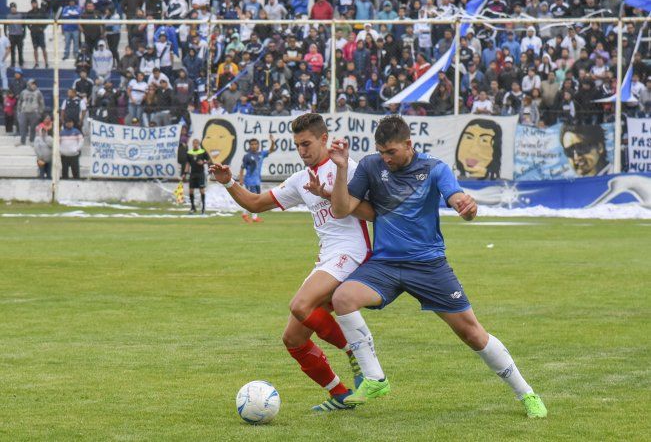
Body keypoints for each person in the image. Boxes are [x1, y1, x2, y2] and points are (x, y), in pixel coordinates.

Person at [325, 115, 548, 418]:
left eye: (392, 152)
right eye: (382, 152)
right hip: (386, 265)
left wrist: (467, 208)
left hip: (429, 266)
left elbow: (457, 199)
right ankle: (375, 379)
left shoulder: (434, 169)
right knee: (343, 298)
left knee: (472, 333)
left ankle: (527, 394)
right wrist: (340, 168)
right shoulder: (370, 166)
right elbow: (340, 209)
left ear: (408, 144)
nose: (386, 159)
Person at [209, 113, 374, 412]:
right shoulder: (300, 180)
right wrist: (229, 181)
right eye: (297, 145)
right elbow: (256, 203)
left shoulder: (346, 168)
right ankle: (339, 394)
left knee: (300, 305)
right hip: (328, 259)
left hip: (352, 253)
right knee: (293, 338)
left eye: (307, 144)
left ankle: (355, 352)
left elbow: (375, 208)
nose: (302, 151)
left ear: (324, 139)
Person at [238, 135, 277, 223]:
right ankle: (245, 214)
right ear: (249, 146)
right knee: (251, 199)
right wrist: (241, 179)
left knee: (257, 199)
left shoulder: (261, 154)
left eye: (255, 144)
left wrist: (273, 141)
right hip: (249, 180)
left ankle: (254, 217)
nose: (254, 146)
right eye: (252, 144)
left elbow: (271, 150)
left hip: (257, 180)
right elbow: (242, 168)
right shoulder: (247, 156)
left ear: (258, 145)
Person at [183, 138, 212, 214]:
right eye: (194, 143)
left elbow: (209, 160)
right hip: (192, 174)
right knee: (191, 190)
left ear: (198, 144)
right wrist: (185, 173)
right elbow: (187, 164)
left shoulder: (202, 152)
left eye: (197, 143)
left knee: (201, 190)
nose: (195, 145)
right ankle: (193, 207)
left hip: (200, 173)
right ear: (192, 144)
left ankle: (203, 208)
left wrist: (203, 162)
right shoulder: (189, 153)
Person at [17, 79, 45, 146]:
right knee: (22, 127)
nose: (33, 85)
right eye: (32, 84)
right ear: (28, 84)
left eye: (34, 84)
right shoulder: (23, 92)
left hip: (34, 112)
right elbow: (19, 102)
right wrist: (19, 112)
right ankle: (22, 141)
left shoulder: (38, 92)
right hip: (24, 112)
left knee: (33, 127)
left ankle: (32, 140)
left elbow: (41, 103)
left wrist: (40, 112)